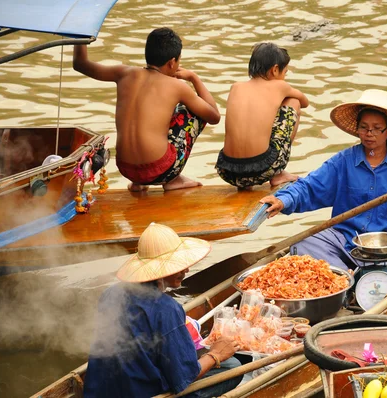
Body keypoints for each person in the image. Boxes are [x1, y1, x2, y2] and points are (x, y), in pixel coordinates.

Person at [260, 89, 387, 286]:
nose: (369, 134)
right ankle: (346, 279)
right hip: (346, 240)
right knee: (303, 245)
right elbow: (310, 188)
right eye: (364, 127)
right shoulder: (344, 161)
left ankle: (357, 281)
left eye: (377, 128)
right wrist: (283, 200)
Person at [83, 223, 243, 398]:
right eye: (178, 266)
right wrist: (216, 354)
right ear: (161, 270)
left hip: (99, 392)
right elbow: (183, 379)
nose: (186, 270)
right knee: (233, 367)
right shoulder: (166, 309)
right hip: (144, 393)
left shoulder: (110, 293)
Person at [73, 27, 221, 192]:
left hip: (126, 169)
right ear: (172, 62)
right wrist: (194, 77)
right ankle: (173, 180)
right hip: (162, 170)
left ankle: (139, 184)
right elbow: (214, 116)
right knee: (190, 111)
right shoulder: (178, 86)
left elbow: (80, 64)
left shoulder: (123, 73)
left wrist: (81, 30)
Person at [215, 42, 309, 190]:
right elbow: (304, 102)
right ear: (275, 69)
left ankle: (245, 186)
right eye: (285, 73)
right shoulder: (280, 86)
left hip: (227, 172)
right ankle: (278, 174)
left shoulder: (236, 87)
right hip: (264, 170)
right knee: (293, 102)